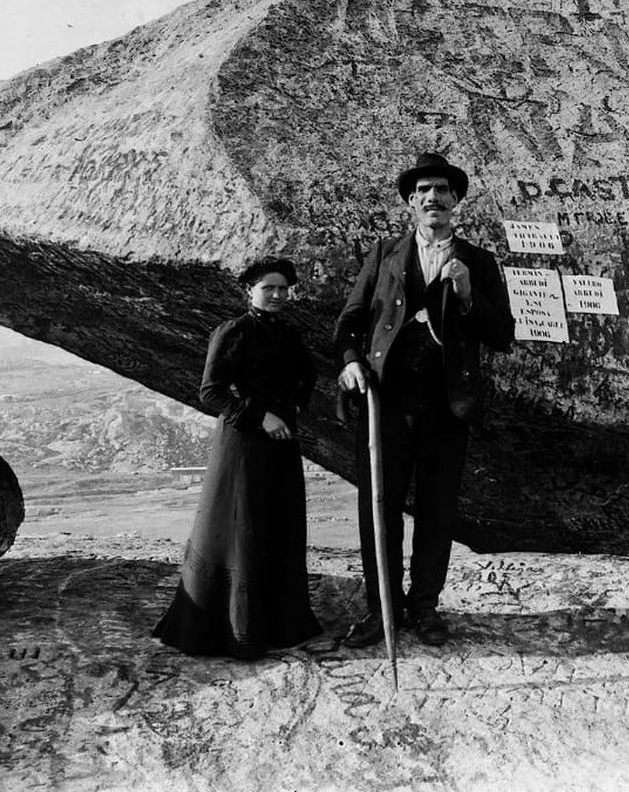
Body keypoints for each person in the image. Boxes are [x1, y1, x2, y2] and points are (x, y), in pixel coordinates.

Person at [334, 152, 514, 648]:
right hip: (385, 402)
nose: (432, 198)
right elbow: (349, 321)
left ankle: (425, 607)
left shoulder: (477, 261)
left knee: (437, 512)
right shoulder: (385, 253)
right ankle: (382, 609)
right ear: (412, 202)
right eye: (422, 192)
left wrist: (467, 296)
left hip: (446, 405)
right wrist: (351, 360)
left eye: (441, 190)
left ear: (455, 200)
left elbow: (502, 335)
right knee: (380, 508)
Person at [152, 257, 330, 658]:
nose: (278, 295)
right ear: (249, 290)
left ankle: (281, 625)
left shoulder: (288, 333)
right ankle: (236, 630)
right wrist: (260, 415)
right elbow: (210, 391)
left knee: (280, 523)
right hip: (244, 443)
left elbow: (306, 376)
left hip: (282, 442)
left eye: (284, 288)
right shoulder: (233, 331)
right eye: (269, 288)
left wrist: (292, 405)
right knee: (242, 527)